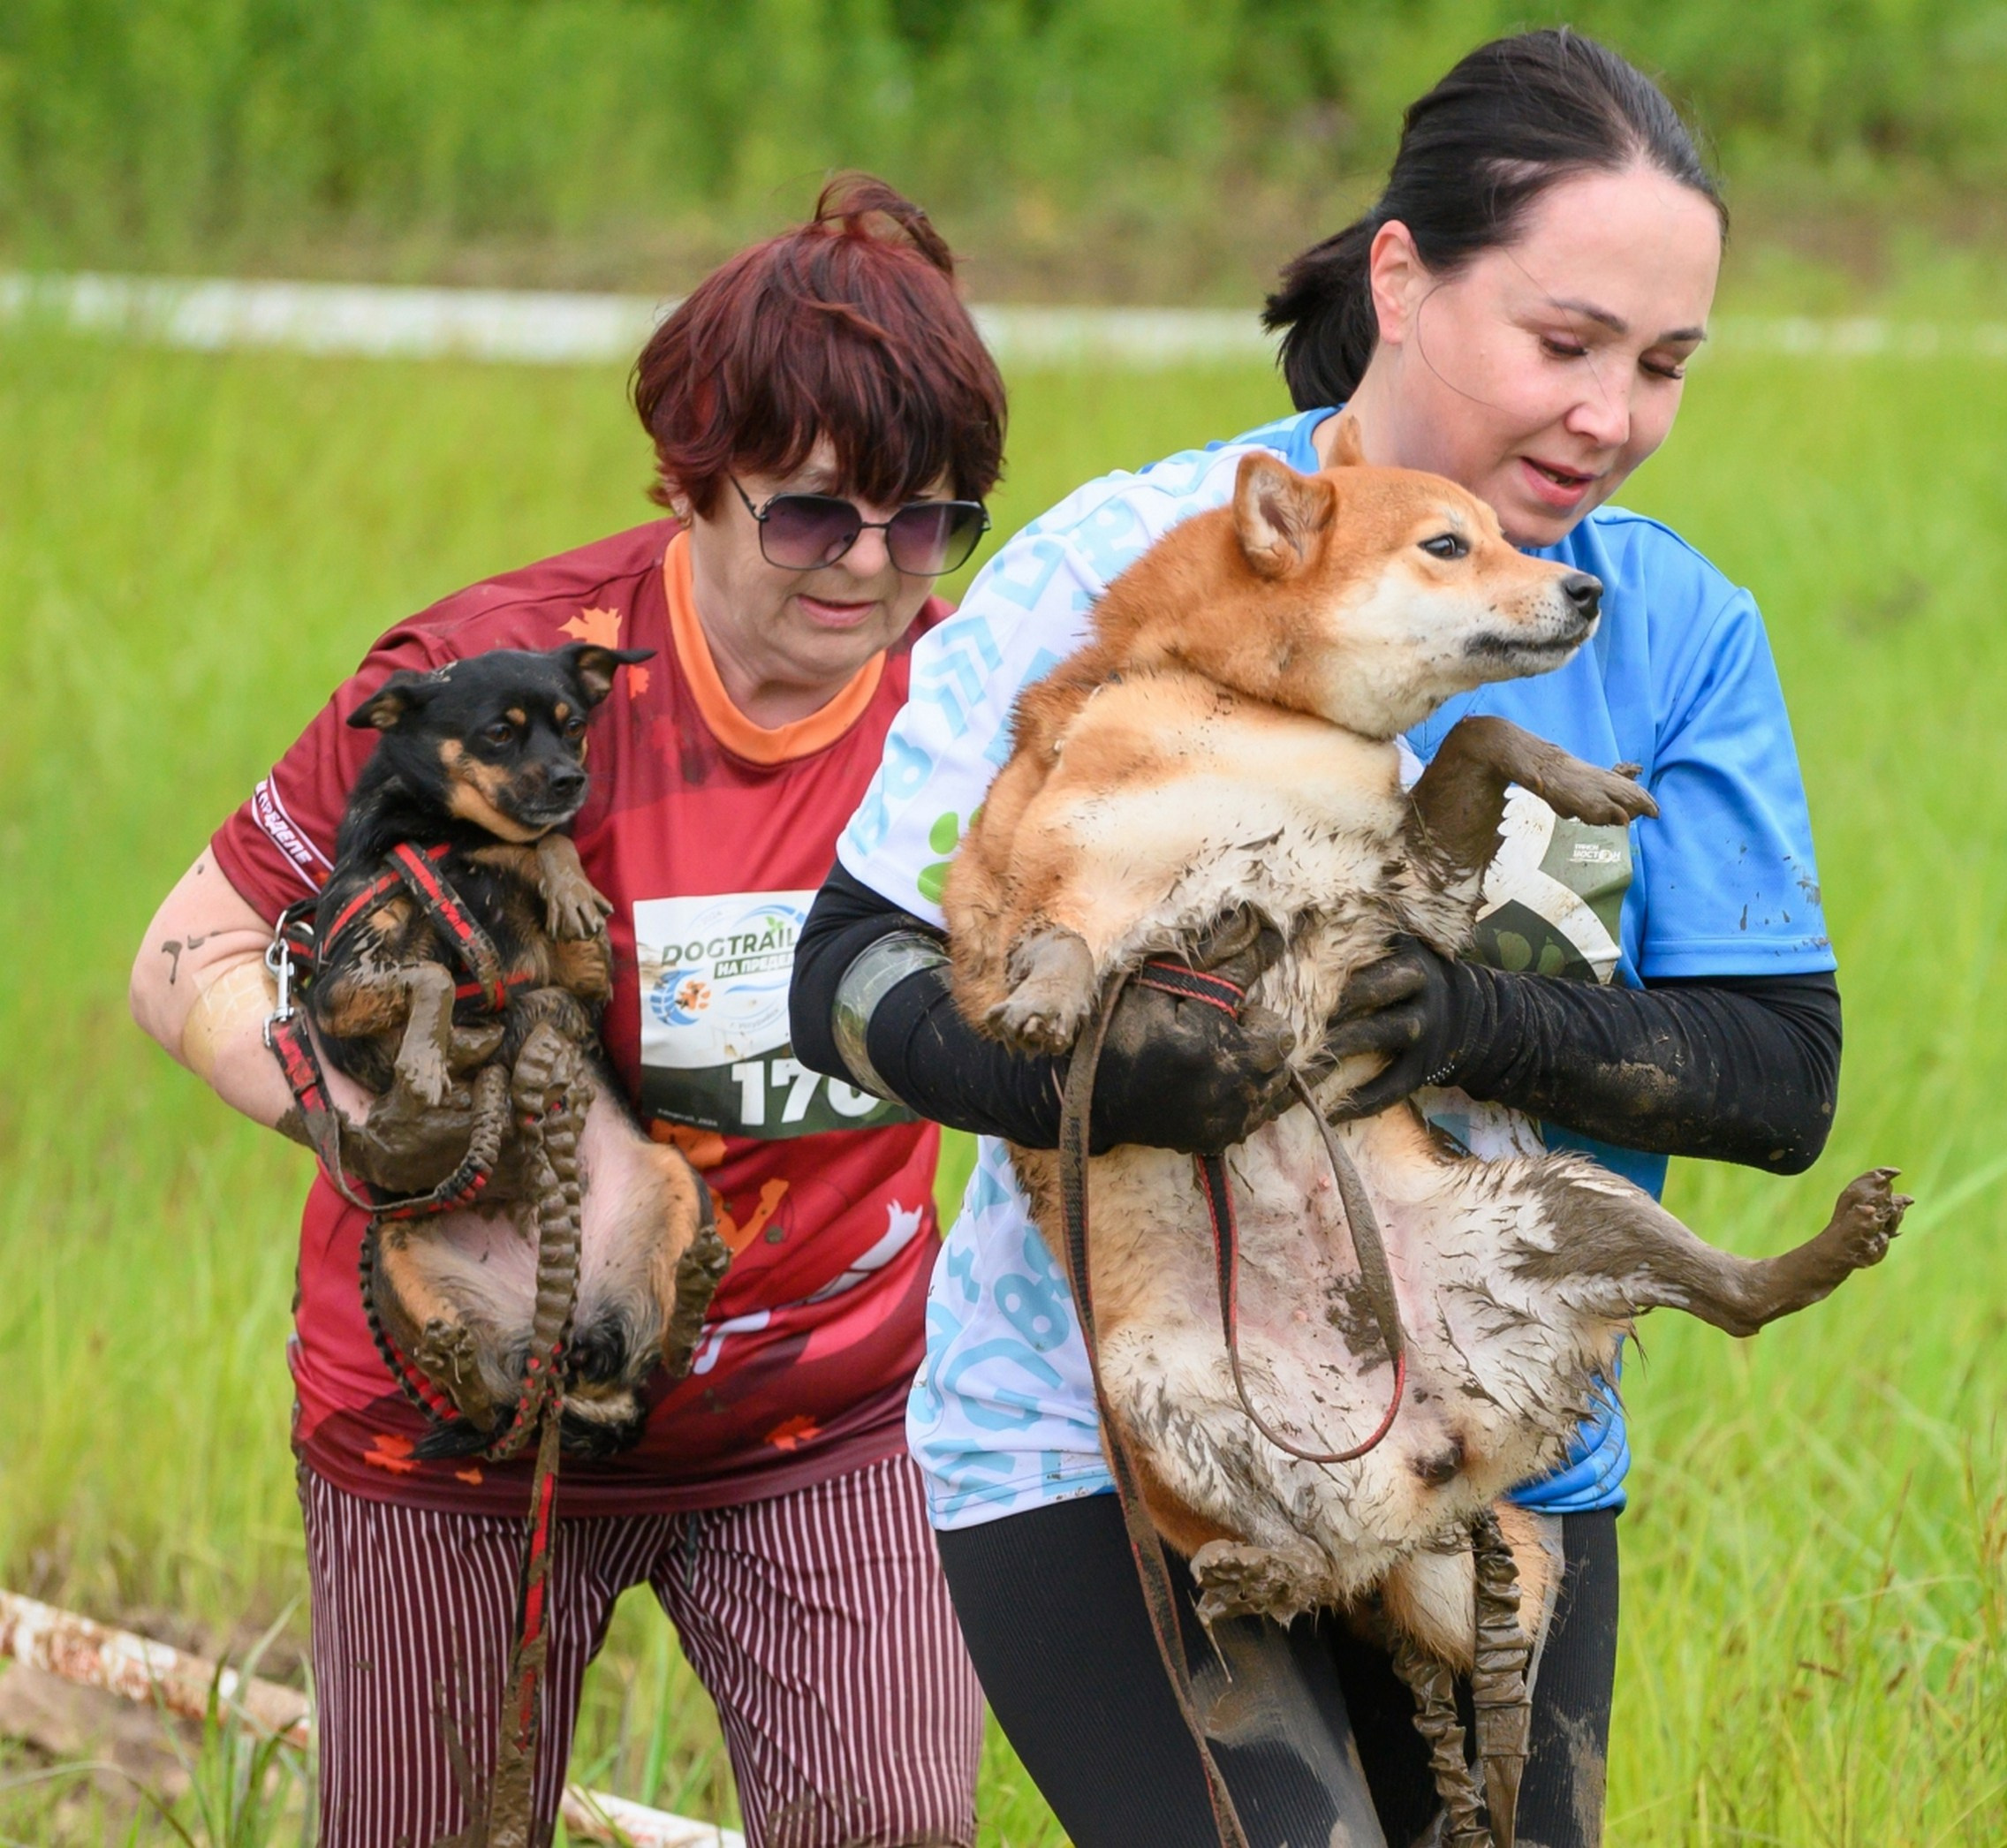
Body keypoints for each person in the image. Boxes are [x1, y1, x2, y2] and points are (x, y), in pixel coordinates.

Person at [788, 31, 1842, 1848]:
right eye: (1564, 342)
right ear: (1400, 281)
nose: (1609, 414)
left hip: (1484, 1445)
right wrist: (1101, 1080)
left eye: (1661, 364)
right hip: (1111, 1441)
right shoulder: (1141, 556)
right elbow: (849, 968)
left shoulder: (1669, 628)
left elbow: (1778, 1073)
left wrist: (1461, 1022)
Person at [128, 178, 1004, 1848]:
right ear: (697, 479)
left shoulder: (973, 705)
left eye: (929, 522)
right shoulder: (503, 675)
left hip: (827, 1408)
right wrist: (352, 1106)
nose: (876, 571)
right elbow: (193, 945)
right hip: (460, 1409)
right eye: (815, 519)